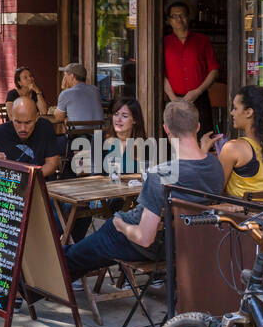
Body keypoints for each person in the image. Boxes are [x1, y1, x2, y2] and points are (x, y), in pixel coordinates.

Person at [64, 100, 223, 280]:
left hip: (145, 243)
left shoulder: (161, 174)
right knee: (79, 256)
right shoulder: (215, 166)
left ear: (166, 129)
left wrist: (119, 224)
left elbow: (144, 238)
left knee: (72, 257)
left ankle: (29, 285)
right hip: (186, 243)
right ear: (198, 127)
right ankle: (33, 285)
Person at [206, 86, 263, 199]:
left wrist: (204, 153)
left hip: (241, 215)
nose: (232, 113)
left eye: (235, 108)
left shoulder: (233, 148)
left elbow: (215, 190)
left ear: (248, 112)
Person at [163, 1, 221, 138]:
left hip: (199, 98)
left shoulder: (202, 41)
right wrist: (172, 97)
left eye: (182, 15)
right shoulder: (163, 43)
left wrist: (198, 91)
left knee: (204, 137)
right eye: (174, 16)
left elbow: (214, 70)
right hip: (173, 98)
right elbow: (160, 74)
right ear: (168, 20)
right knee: (174, 140)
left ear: (189, 18)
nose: (178, 19)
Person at [0, 96, 64, 174]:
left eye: (28, 122)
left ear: (36, 118)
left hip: (38, 183)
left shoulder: (45, 127)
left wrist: (30, 179)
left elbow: (52, 163)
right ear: (11, 117)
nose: (23, 128)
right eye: (18, 122)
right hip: (6, 186)